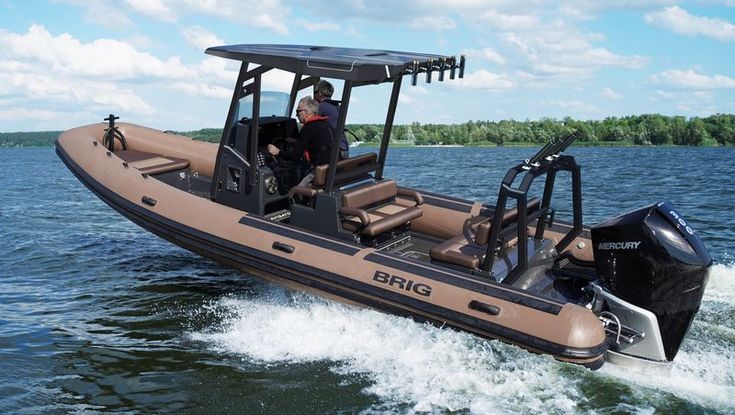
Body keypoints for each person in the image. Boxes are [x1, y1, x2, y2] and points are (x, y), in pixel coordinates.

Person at [267, 96, 332, 187]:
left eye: (298, 111)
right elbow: (315, 142)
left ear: (306, 113)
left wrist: (277, 152)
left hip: (322, 172)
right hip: (334, 169)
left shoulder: (307, 128)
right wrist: (297, 141)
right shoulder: (326, 124)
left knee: (297, 192)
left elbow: (295, 156)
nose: (296, 115)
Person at [314, 80, 349, 159]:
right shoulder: (338, 107)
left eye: (315, 92)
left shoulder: (321, 107)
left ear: (319, 93)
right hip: (344, 148)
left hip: (335, 152)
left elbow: (312, 127)